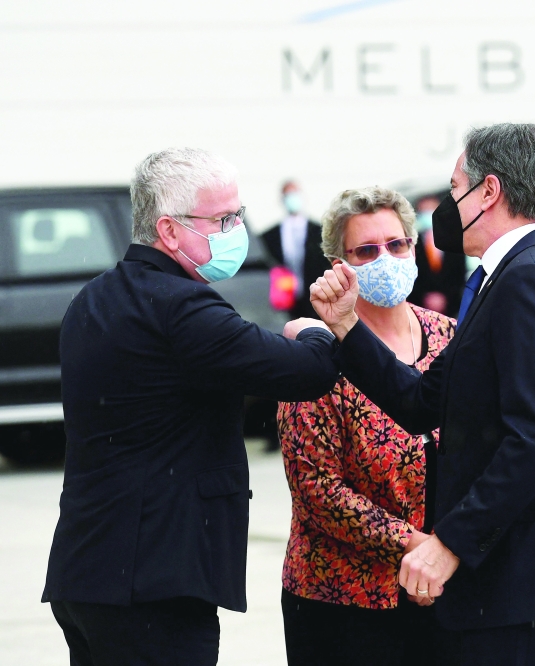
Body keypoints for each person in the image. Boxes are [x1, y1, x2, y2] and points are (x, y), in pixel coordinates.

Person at [301, 123, 535, 666]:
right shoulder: (508, 277)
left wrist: (450, 544)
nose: (445, 207)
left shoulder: (529, 280)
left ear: (487, 192)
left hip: (531, 574)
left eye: (454, 189)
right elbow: (423, 402)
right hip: (519, 575)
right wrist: (348, 329)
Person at [42, 148, 345, 666]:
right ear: (170, 230)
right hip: (155, 579)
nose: (237, 229)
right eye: (223, 219)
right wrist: (315, 330)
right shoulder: (181, 307)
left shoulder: (93, 298)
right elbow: (307, 372)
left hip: (88, 566)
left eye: (238, 214)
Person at [278, 186, 455, 666]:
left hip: (441, 589)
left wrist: (445, 550)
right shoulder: (316, 355)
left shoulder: (448, 334)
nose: (386, 258)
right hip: (342, 601)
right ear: (340, 264)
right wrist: (414, 548)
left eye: (397, 245)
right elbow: (317, 489)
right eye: (366, 251)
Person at [263, 180, 329, 319]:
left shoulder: (320, 232)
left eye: (295, 194)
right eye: (288, 195)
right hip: (283, 300)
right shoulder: (269, 236)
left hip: (314, 299)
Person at [408, 194, 467, 316]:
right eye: (424, 211)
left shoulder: (454, 241)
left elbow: (460, 274)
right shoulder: (412, 244)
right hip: (421, 308)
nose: (428, 215)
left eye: (432, 210)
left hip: (452, 308)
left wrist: (446, 298)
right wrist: (425, 297)